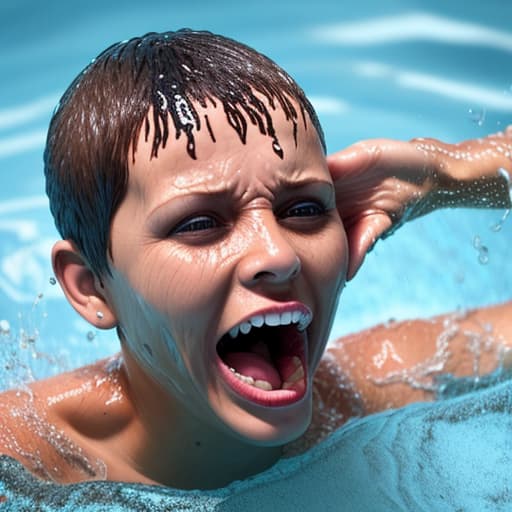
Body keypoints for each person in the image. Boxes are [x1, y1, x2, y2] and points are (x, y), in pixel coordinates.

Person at [0, 29, 511, 490]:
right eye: (200, 223)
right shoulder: (27, 461)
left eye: (304, 209)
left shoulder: (380, 383)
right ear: (91, 286)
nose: (279, 254)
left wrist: (449, 174)